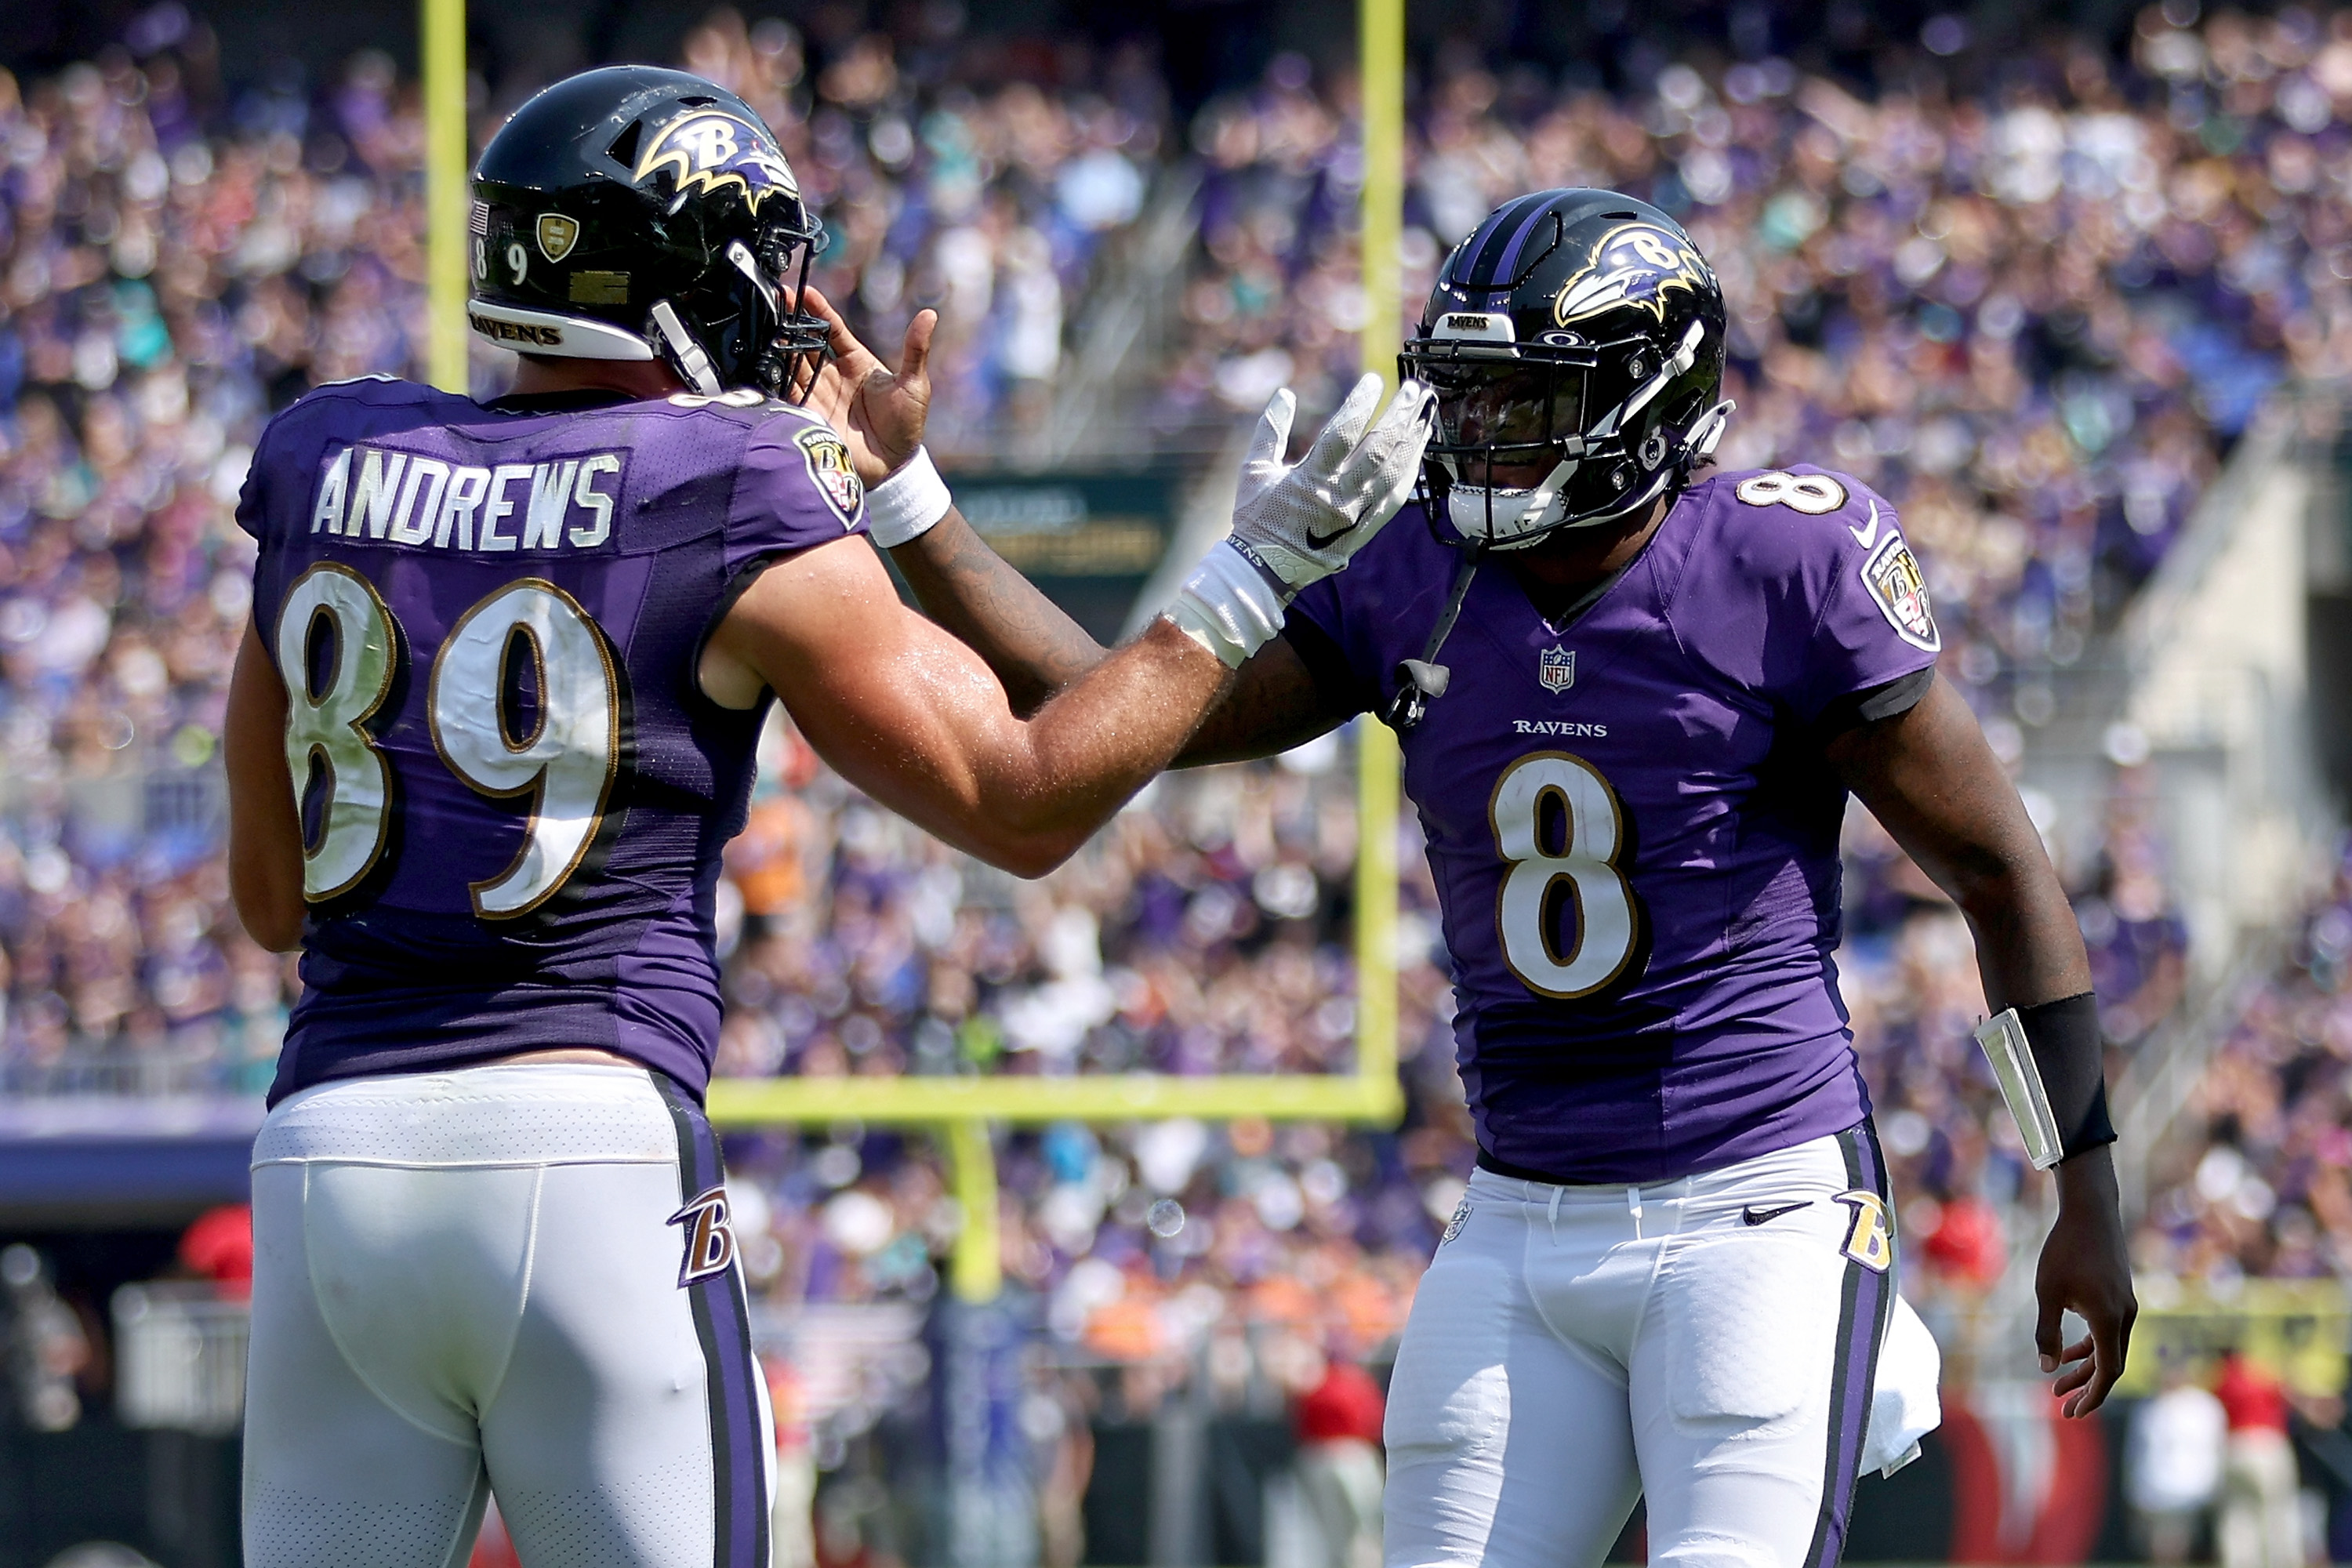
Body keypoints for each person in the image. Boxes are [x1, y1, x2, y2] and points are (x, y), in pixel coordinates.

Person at [220, 65, 1432, 1568]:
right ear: (687, 281)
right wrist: (1246, 582)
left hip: (327, 1157)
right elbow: (1022, 800)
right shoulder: (727, 482)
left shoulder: (326, 457)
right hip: (586, 1153)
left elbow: (272, 901)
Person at [834, 187, 2138, 1568]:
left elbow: (2000, 873)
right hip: (1518, 1219)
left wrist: (2087, 1193)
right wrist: (913, 495)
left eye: (1524, 400)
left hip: (1755, 1205)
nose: (1476, 433)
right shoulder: (1417, 568)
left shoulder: (1782, 559)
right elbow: (1108, 709)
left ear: (1647, 401)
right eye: (1463, 393)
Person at [2128, 1359, 2227, 1564]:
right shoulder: (2151, 1407)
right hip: (2158, 1484)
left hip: (2190, 1484)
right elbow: (2139, 1451)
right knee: (2164, 1537)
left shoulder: (2202, 1405)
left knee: (2177, 1536)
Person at [2216, 1350, 2304, 1568]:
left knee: (2238, 1513)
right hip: (2268, 1443)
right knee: (2277, 1510)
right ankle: (2282, 1562)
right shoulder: (2264, 1374)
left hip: (2236, 1447)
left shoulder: (2222, 1378)